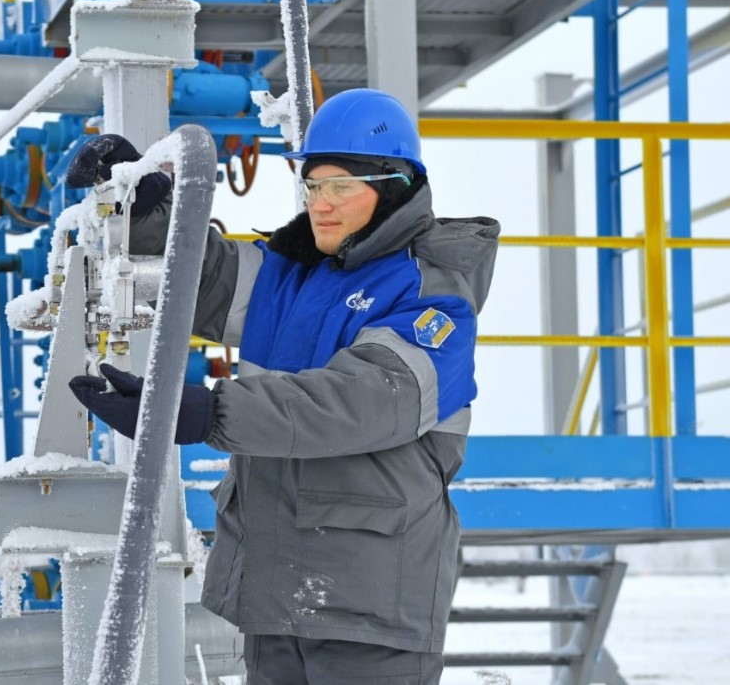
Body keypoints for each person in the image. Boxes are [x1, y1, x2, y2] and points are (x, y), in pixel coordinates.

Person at [67, 88, 500, 684]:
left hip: (367, 615)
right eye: (312, 186)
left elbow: (358, 401)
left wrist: (202, 412)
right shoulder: (292, 276)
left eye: (341, 187)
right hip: (274, 603)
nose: (320, 204)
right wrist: (147, 212)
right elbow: (207, 276)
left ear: (394, 184)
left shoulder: (432, 296)